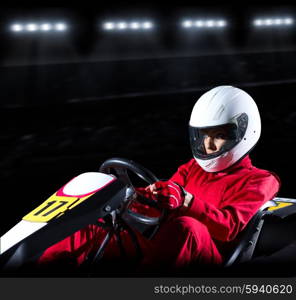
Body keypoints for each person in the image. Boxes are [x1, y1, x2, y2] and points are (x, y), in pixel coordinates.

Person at [37, 85, 280, 273]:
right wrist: (128, 197)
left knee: (187, 226)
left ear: (245, 132)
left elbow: (228, 228)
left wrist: (185, 200)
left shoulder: (260, 180)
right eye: (203, 135)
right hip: (169, 245)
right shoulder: (191, 169)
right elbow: (163, 204)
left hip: (209, 257)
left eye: (219, 136)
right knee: (98, 222)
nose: (207, 145)